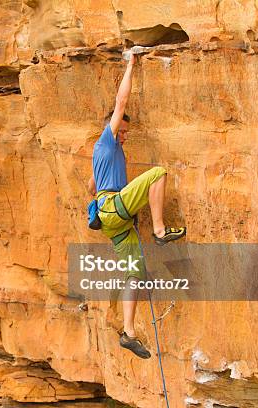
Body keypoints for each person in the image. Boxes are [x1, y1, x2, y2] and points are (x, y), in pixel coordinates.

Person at [88, 53, 186, 359]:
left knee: (135, 274)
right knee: (157, 174)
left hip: (111, 221)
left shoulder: (100, 154)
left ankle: (129, 332)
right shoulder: (106, 140)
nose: (126, 136)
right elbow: (121, 101)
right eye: (123, 131)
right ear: (113, 128)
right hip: (113, 208)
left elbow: (90, 187)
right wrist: (131, 63)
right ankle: (158, 230)